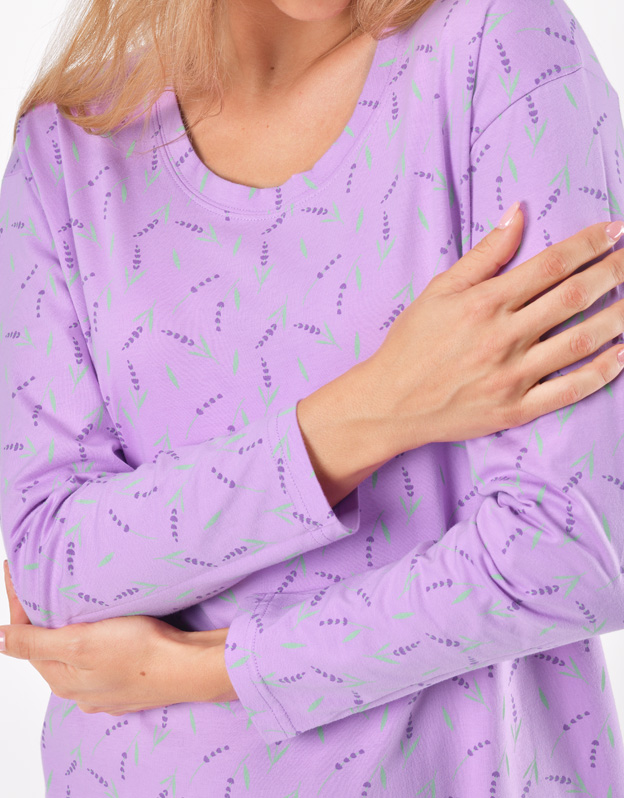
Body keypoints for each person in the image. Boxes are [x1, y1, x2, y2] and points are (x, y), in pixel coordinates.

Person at [1, 0, 624, 794]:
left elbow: (576, 548)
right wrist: (372, 410)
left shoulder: (499, 47)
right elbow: (53, 567)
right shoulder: (66, 152)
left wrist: (215, 667)